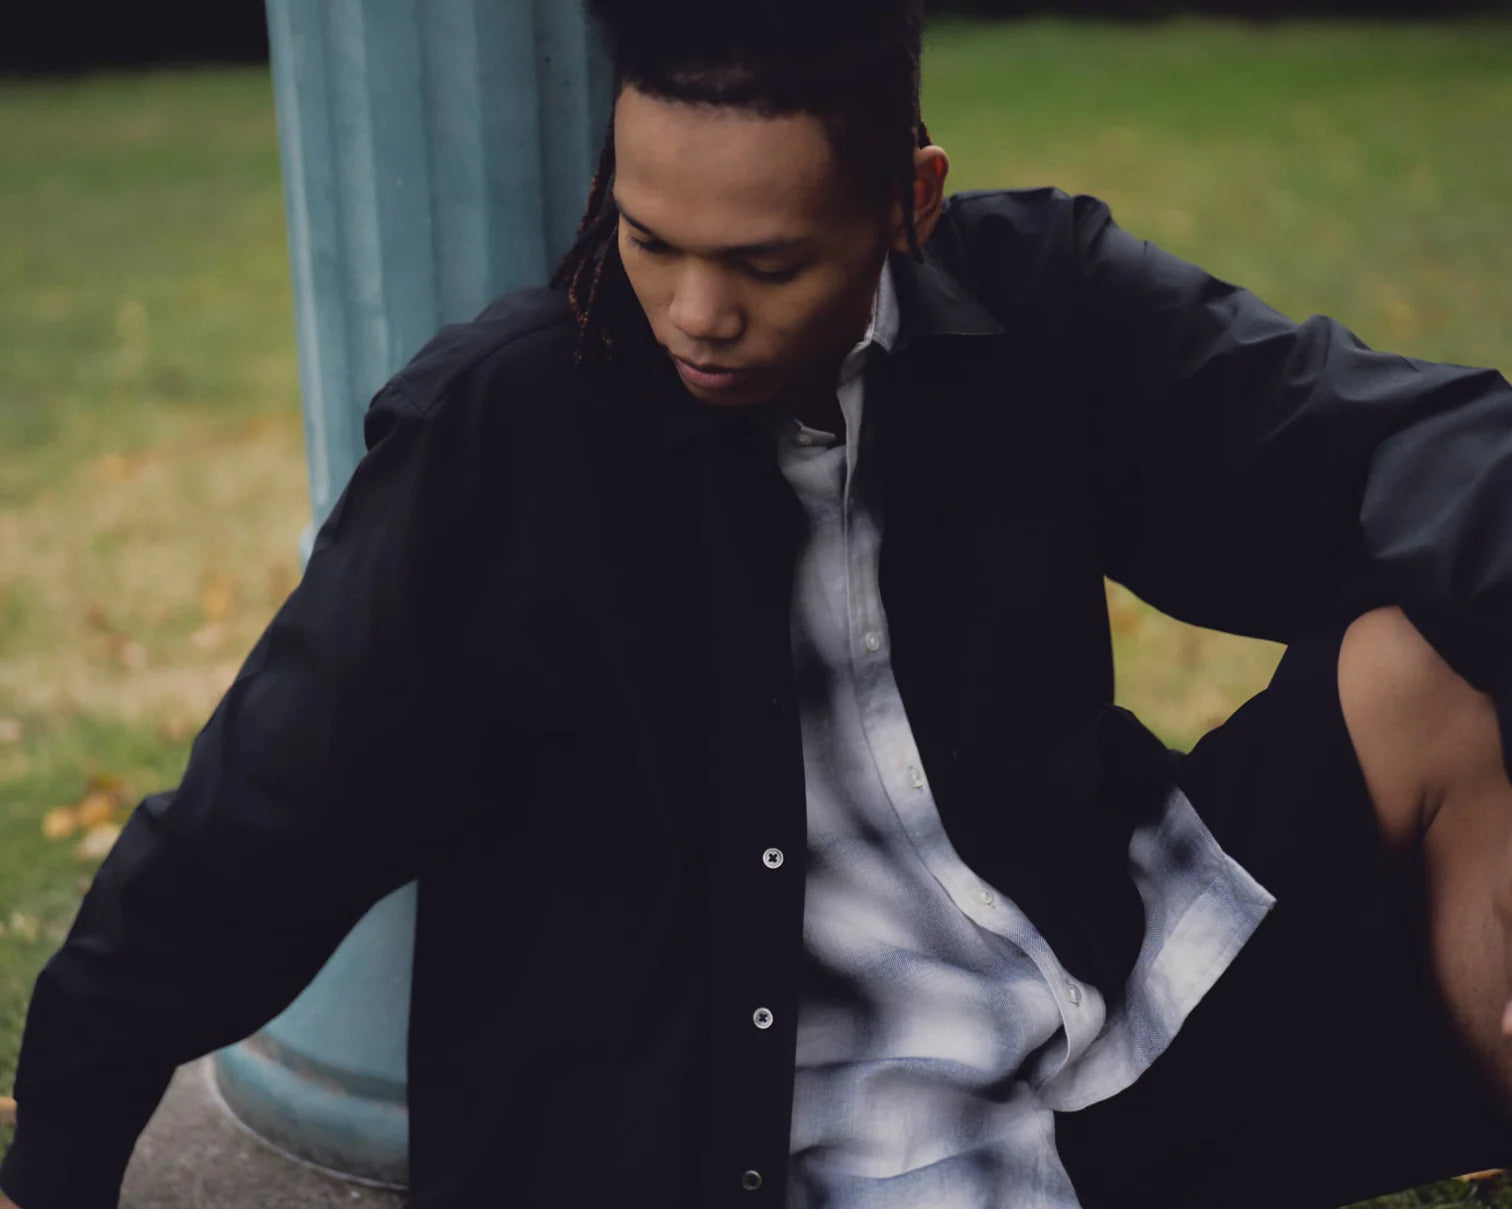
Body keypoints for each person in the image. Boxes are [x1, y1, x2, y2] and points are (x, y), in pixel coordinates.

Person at [3, 2, 1511, 1206]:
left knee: (1431, 660)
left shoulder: (1036, 300)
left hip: (1093, 1018)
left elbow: (1390, 443)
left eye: (768, 263)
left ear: (912, 200)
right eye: (648, 239)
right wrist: (52, 1163)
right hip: (755, 1143)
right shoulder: (501, 433)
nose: (696, 314)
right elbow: (250, 833)